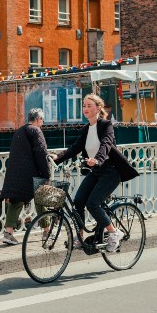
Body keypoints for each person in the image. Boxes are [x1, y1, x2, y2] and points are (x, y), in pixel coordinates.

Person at [54, 93, 123, 252]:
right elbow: (75, 148)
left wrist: (98, 158)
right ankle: (79, 237)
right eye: (84, 106)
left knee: (93, 203)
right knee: (78, 200)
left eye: (89, 106)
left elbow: (106, 144)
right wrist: (57, 157)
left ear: (98, 108)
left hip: (111, 172)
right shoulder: (86, 129)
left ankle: (114, 232)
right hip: (96, 171)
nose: (85, 108)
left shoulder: (106, 125)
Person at [0, 108, 50, 245]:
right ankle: (46, 232)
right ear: (38, 119)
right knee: (41, 200)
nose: (42, 123)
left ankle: (8, 234)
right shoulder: (36, 131)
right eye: (42, 120)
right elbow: (41, 153)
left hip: (16, 174)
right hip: (32, 174)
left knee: (16, 201)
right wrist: (46, 174)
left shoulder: (19, 132)